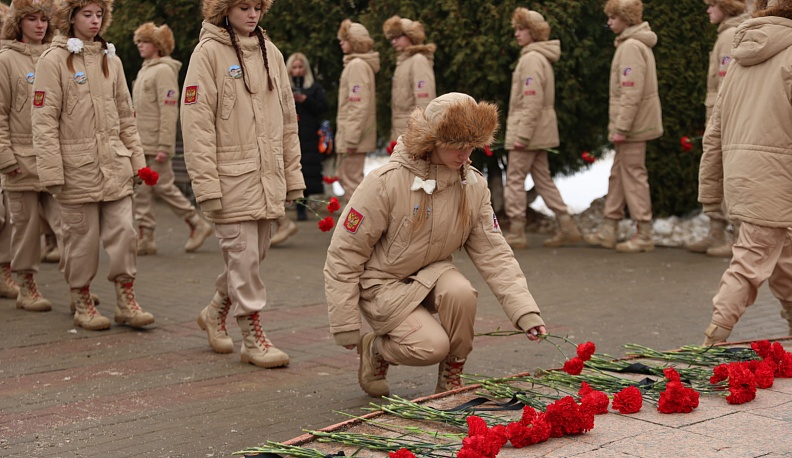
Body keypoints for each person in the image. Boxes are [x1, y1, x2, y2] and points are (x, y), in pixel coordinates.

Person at [324, 93, 548, 397]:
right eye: (456, 145)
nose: (465, 154)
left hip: (433, 273)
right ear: (431, 140)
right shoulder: (385, 182)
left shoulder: (474, 185)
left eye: (471, 146)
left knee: (462, 293)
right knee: (430, 347)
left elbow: (494, 253)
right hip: (383, 283)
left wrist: (525, 313)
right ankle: (376, 349)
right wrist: (345, 324)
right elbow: (345, 253)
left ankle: (451, 376)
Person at [182, 0, 304, 368]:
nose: (252, 15)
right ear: (224, 9)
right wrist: (207, 187)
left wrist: (292, 176)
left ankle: (214, 310)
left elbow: (287, 119)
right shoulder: (207, 55)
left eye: (257, 7)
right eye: (243, 7)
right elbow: (196, 125)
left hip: (268, 179)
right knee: (244, 257)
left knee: (254, 255)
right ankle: (252, 337)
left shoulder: (273, 53)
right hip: (229, 178)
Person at [32, 0, 155, 330]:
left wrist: (138, 163)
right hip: (76, 169)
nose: (95, 20)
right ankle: (81, 298)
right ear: (70, 17)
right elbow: (43, 122)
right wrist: (52, 173)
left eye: (99, 14)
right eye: (87, 14)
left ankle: (125, 300)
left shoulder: (109, 59)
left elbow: (127, 117)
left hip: (115, 165)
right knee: (80, 240)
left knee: (125, 233)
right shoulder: (53, 60)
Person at [698, 0, 792, 345]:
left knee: (783, 257)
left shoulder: (739, 56)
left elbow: (715, 129)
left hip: (745, 178)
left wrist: (710, 190)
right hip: (777, 180)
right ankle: (713, 339)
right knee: (750, 262)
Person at [583, 0, 663, 253]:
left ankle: (644, 233)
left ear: (626, 19)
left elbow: (631, 93)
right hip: (633, 125)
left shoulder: (630, 47)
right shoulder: (632, 44)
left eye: (614, 17)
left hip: (633, 127)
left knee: (633, 176)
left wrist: (622, 127)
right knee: (618, 175)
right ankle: (610, 228)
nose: (609, 22)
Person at [132, 22, 213, 256]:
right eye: (139, 41)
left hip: (155, 143)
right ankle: (146, 237)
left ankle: (197, 224)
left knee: (164, 187)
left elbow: (168, 110)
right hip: (142, 142)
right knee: (142, 192)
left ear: (157, 45)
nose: (139, 45)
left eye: (144, 41)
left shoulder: (164, 70)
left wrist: (164, 146)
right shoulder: (145, 68)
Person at [503, 8, 581, 250]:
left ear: (533, 32)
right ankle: (567, 226)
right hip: (540, 131)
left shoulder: (531, 59)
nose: (516, 34)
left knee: (514, 178)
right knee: (543, 179)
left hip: (528, 132)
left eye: (521, 29)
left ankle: (517, 231)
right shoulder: (538, 58)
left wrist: (522, 135)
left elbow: (531, 101)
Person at [0, 0, 60, 311]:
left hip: (53, 158)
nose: (39, 25)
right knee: (24, 228)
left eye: (43, 19)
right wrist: (5, 157)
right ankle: (26, 286)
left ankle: (80, 287)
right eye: (32, 19)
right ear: (18, 23)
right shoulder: (6, 59)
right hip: (20, 160)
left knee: (69, 225)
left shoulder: (57, 57)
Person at [686, 0, 749, 258]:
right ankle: (716, 229)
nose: (708, 10)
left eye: (712, 4)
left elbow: (726, 83)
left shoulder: (730, 35)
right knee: (718, 171)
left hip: (723, 115)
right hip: (719, 113)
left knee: (724, 173)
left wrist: (720, 119)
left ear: (727, 6)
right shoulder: (727, 33)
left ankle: (733, 236)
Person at [270, 52, 329, 246]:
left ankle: (305, 203)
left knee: (308, 171)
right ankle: (298, 205)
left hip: (309, 134)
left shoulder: (313, 87)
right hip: (291, 133)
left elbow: (323, 107)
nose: (297, 71)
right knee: (294, 168)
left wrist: (306, 100)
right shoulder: (282, 86)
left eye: (300, 67)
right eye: (294, 67)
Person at [335, 18, 379, 200]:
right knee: (347, 177)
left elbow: (357, 105)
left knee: (352, 182)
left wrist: (351, 139)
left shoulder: (357, 66)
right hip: (351, 136)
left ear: (355, 42)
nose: (340, 42)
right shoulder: (357, 64)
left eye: (345, 39)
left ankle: (356, 225)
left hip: (353, 138)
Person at [382, 15, 436, 142]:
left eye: (398, 37)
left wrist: (422, 133)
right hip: (400, 130)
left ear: (411, 35)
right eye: (391, 38)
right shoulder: (402, 63)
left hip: (413, 132)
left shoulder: (418, 61)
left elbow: (424, 99)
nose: (393, 42)